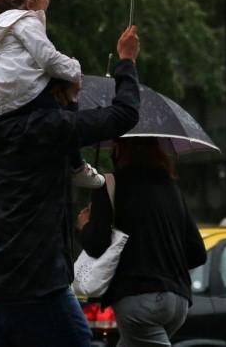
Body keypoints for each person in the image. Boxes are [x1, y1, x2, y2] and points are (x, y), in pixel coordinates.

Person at [0, 25, 141, 347]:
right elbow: (124, 114)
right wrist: (127, 61)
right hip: (41, 286)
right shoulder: (51, 128)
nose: (75, 102)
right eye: (74, 94)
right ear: (57, 90)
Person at [0, 0, 104, 189]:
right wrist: (74, 69)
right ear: (31, 3)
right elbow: (48, 58)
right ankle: (77, 166)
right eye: (44, 6)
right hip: (22, 93)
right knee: (63, 121)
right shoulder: (26, 21)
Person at [78, 137, 207, 347]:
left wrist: (85, 224)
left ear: (119, 149)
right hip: (178, 301)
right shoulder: (171, 187)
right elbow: (197, 253)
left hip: (138, 300)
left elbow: (95, 244)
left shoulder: (109, 183)